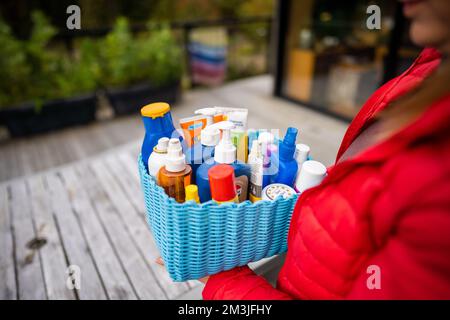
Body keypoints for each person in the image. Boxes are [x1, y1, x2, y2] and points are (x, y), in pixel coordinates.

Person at [200, 0, 450, 299]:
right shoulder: (428, 73)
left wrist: (226, 283)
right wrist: (333, 186)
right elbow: (368, 173)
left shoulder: (438, 190)